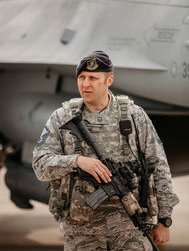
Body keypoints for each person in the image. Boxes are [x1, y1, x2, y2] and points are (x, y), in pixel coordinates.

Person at [32, 50, 179, 251]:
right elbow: (40, 165)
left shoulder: (134, 116)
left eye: (93, 78)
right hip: (81, 233)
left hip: (130, 228)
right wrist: (77, 161)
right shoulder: (62, 117)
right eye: (82, 77)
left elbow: (158, 165)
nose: (85, 84)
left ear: (109, 80)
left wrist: (164, 220)